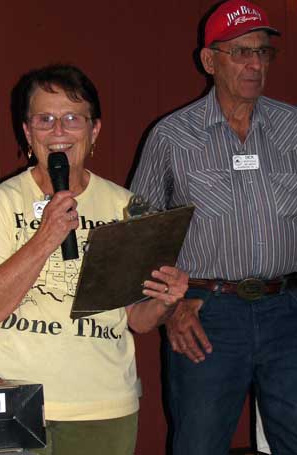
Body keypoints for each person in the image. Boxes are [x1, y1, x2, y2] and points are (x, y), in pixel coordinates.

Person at [130, 0, 297, 453]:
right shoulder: (171, 136)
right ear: (209, 60)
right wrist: (169, 310)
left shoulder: (292, 128)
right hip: (205, 316)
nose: (255, 64)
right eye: (241, 52)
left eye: (263, 53)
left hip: (288, 311)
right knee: (199, 445)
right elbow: (140, 240)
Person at [0, 64, 188, 455]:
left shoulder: (127, 207)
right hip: (15, 400)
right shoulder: (3, 203)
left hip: (104, 404)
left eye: (72, 118)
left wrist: (165, 301)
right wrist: (45, 238)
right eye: (45, 119)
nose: (59, 132)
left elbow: (137, 319)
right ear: (27, 132)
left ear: (94, 130)